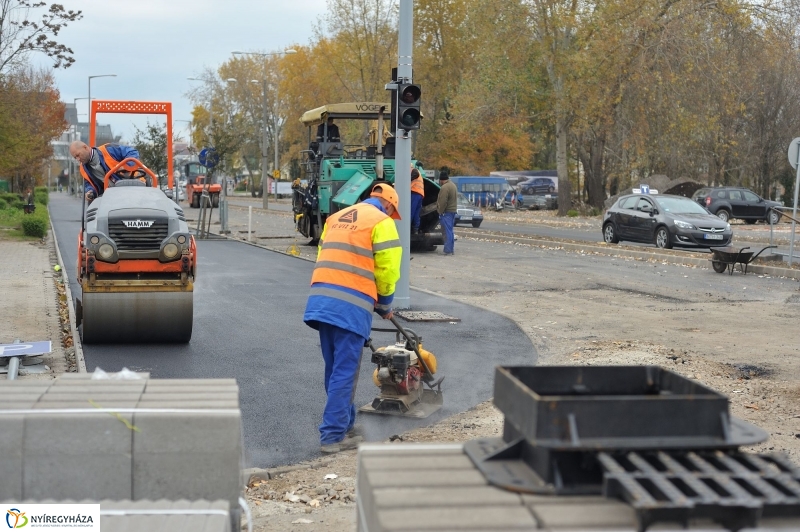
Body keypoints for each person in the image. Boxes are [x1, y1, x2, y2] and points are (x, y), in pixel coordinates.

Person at [303, 184, 402, 453]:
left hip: (322, 301)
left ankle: (345, 425)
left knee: (335, 369)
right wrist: (385, 305)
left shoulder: (336, 218)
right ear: (390, 206)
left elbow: (328, 254)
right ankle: (333, 436)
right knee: (345, 372)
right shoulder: (382, 222)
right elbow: (387, 270)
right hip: (351, 305)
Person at [70, 141, 140, 204]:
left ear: (85, 147)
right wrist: (90, 191)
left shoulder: (109, 149)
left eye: (78, 155)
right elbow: (89, 183)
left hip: (133, 185)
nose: (78, 159)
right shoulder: (83, 168)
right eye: (75, 157)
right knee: (93, 206)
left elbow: (132, 152)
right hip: (111, 195)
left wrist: (126, 166)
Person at [436, 168, 457, 255]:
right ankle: (451, 249)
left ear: (441, 180)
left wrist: (440, 211)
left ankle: (448, 250)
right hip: (452, 211)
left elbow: (442, 201)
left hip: (446, 212)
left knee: (446, 231)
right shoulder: (453, 185)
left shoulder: (444, 187)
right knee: (450, 231)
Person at [410, 167, 425, 234]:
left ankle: (408, 228)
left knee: (410, 212)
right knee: (416, 213)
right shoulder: (416, 171)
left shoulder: (413, 170)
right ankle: (415, 229)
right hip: (419, 194)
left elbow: (415, 174)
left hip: (414, 192)